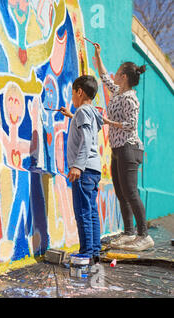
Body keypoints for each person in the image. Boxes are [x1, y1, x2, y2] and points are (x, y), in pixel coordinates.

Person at [93, 43, 154, 252]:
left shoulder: (130, 98)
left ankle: (144, 235)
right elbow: (103, 77)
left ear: (125, 77)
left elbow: (131, 125)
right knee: (121, 192)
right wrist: (98, 55)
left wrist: (109, 123)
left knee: (131, 192)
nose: (115, 75)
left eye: (118, 73)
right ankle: (129, 233)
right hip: (118, 149)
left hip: (129, 148)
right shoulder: (118, 92)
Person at [59, 75, 104, 263]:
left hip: (84, 170)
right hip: (94, 170)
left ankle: (85, 254)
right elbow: (91, 131)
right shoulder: (92, 112)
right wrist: (72, 116)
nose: (72, 99)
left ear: (80, 92)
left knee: (83, 211)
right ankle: (94, 252)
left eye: (73, 94)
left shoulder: (82, 112)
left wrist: (77, 165)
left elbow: (86, 138)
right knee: (91, 211)